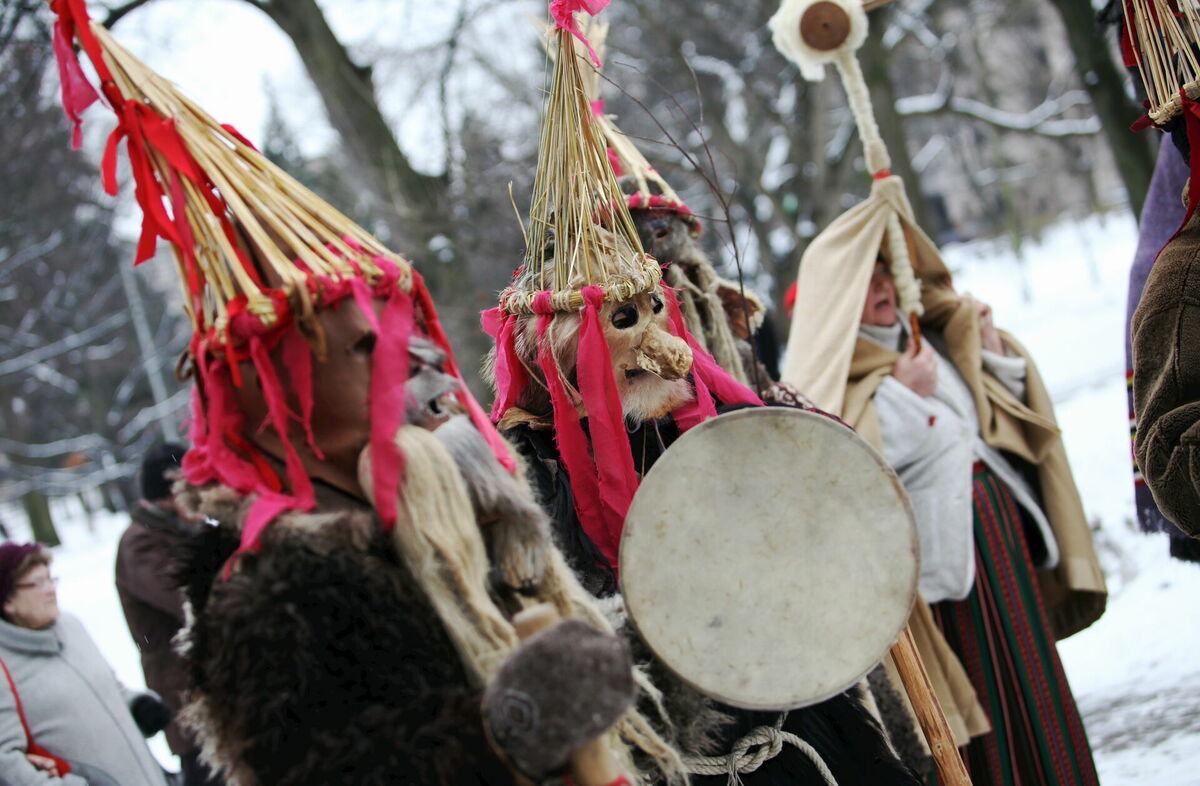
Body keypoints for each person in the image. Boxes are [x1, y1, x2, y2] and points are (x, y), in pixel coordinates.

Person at [849, 257, 1102, 785]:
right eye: (866, 282)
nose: (882, 288)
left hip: (999, 534)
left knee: (1032, 675)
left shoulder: (930, 339)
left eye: (886, 275)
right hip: (947, 560)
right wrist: (902, 394)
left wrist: (987, 345)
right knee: (983, 689)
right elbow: (855, 464)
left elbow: (996, 412)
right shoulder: (844, 369)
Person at [0, 542, 170, 786]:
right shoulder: (4, 666)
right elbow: (6, 762)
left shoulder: (70, 626)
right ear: (7, 600)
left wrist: (138, 706)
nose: (50, 589)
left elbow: (113, 688)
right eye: (38, 583)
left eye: (50, 579)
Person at [117, 443, 222, 786]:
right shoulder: (140, 544)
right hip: (186, 688)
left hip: (211, 681)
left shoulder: (175, 530)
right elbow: (191, 598)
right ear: (171, 493)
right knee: (207, 771)